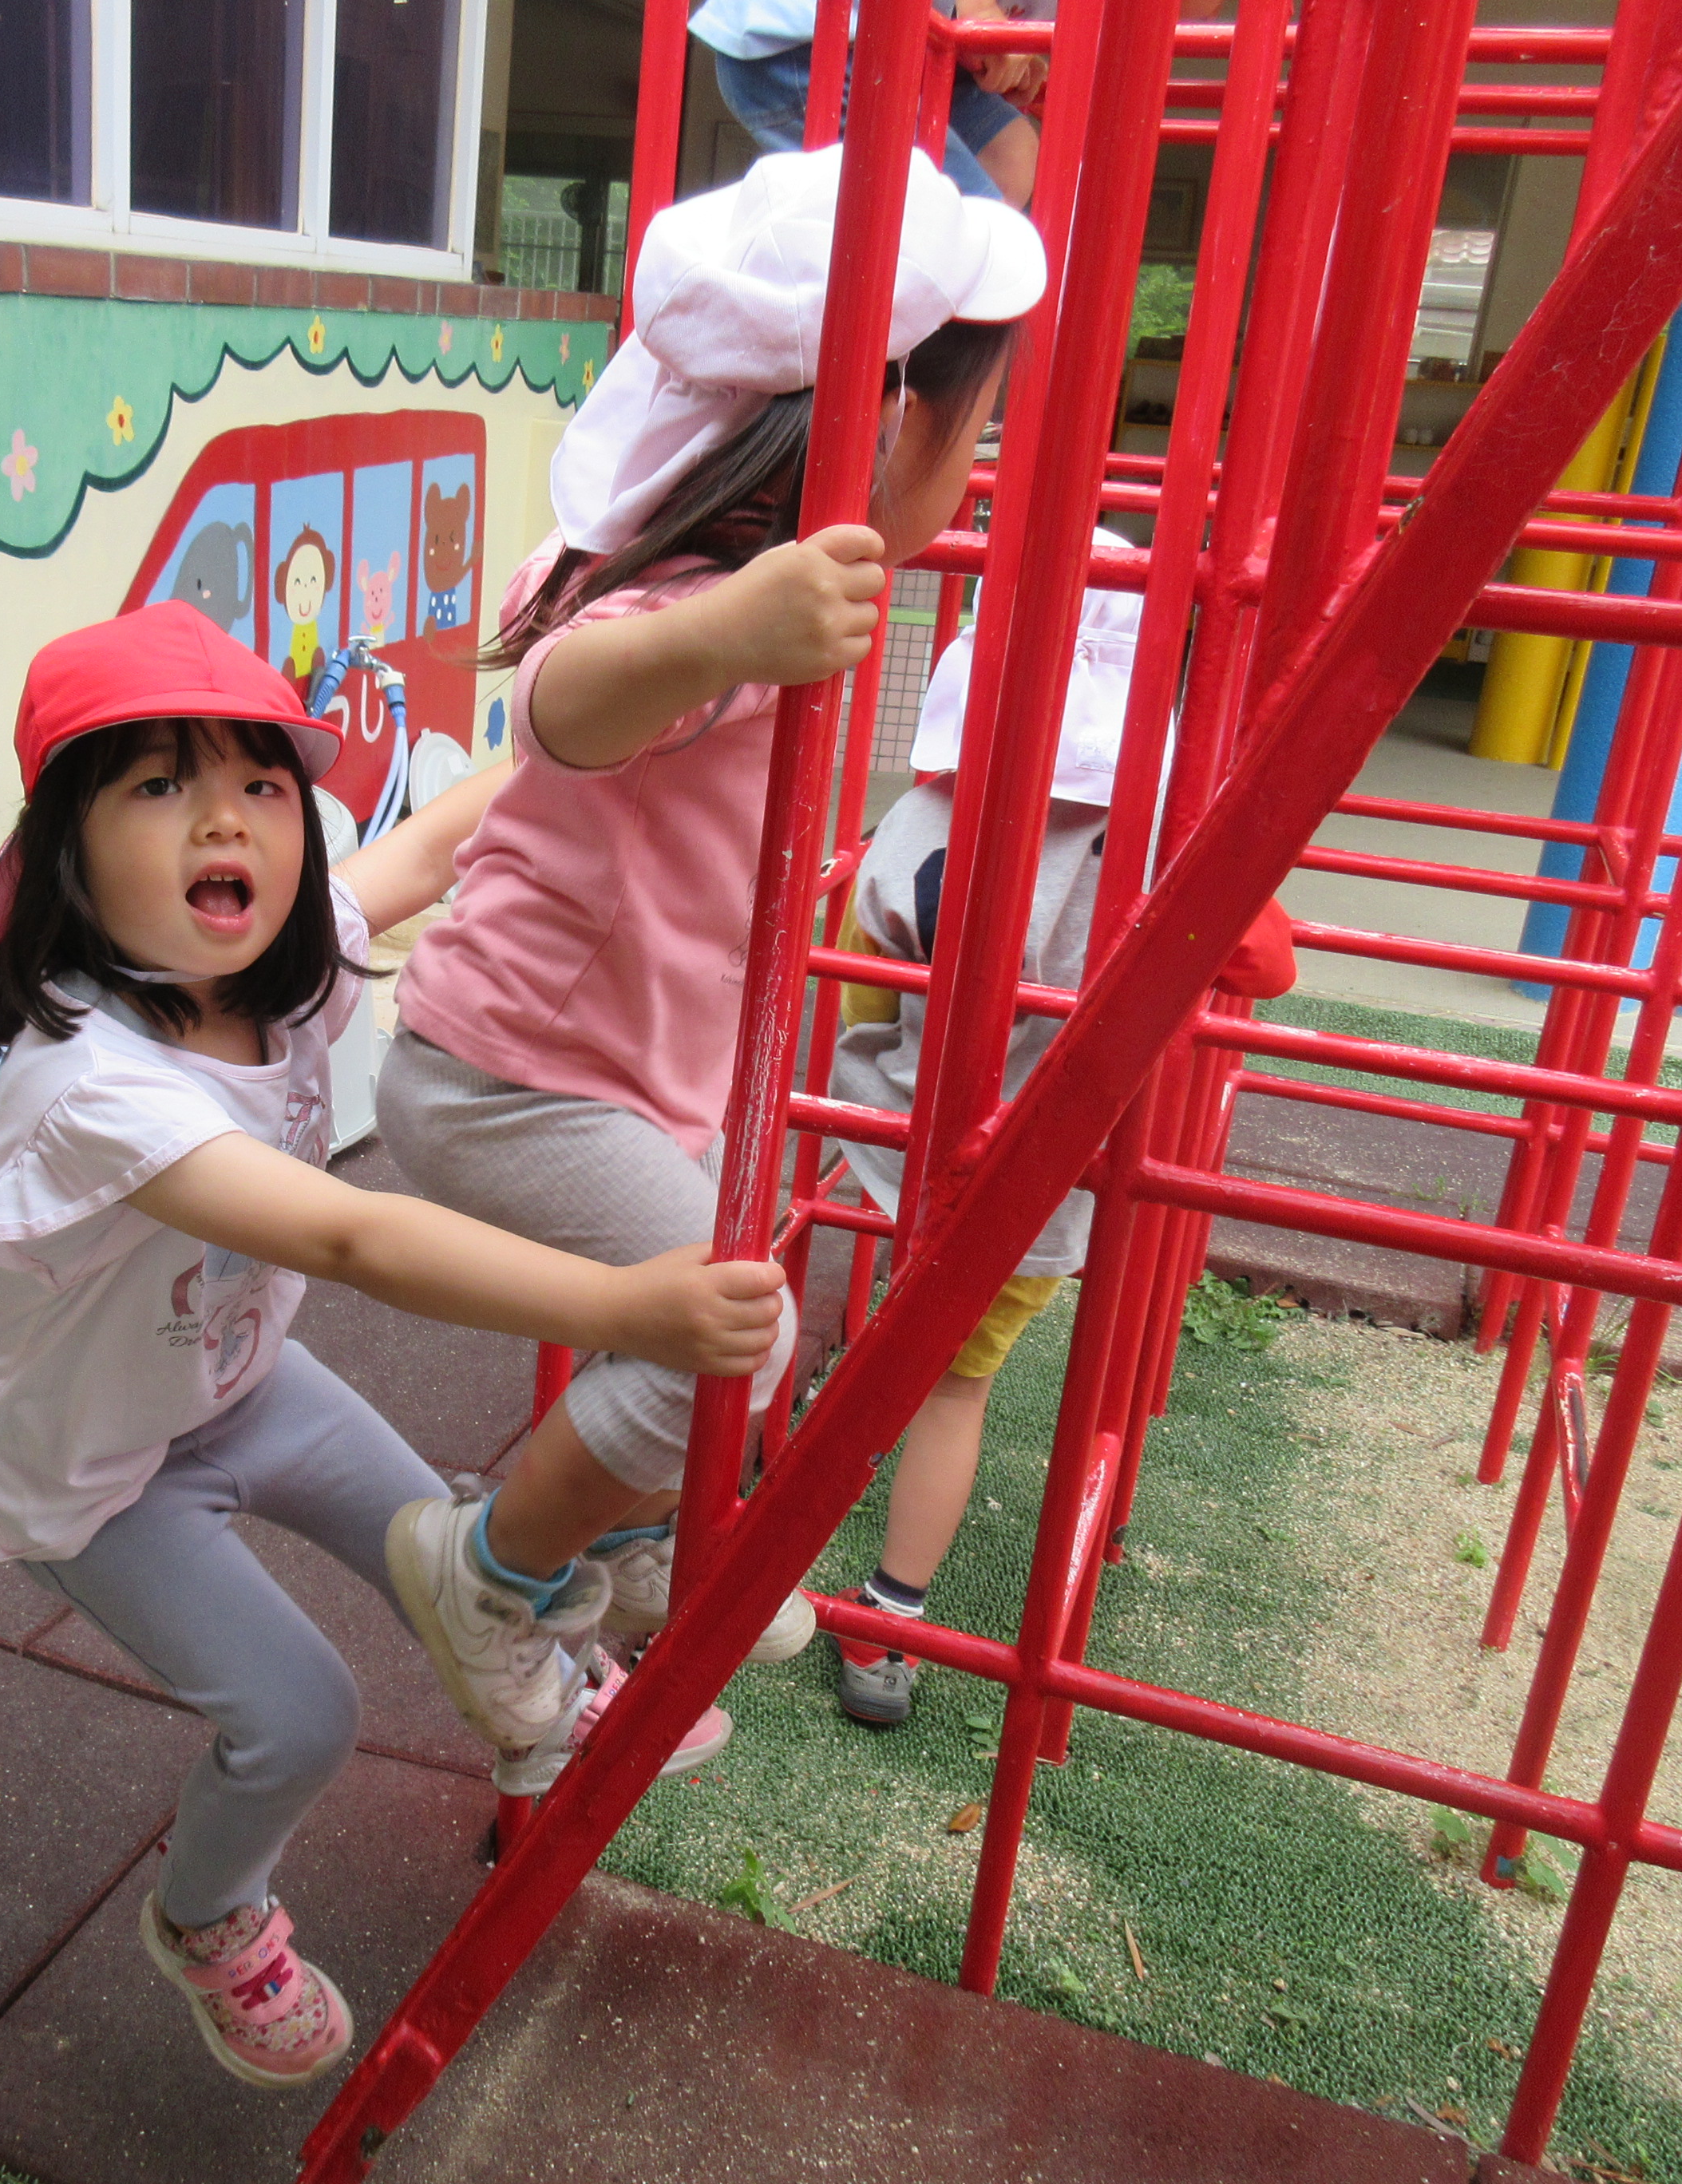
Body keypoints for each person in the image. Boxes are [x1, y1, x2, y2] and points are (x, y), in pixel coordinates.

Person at [0, 601, 784, 2089]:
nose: (227, 818)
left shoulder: (273, 977)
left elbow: (442, 837)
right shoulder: (89, 1084)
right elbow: (349, 1236)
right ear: (66, 853)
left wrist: (611, 725)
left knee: (454, 1550)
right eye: (160, 785)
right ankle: (207, 1916)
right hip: (95, 1468)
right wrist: (621, 1309)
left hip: (237, 1378)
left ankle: (546, 1651)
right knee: (297, 1714)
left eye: (261, 785)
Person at [370, 144, 1046, 1756]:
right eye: (974, 427)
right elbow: (560, 700)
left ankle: (628, 1547)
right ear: (883, 429)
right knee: (730, 1333)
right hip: (508, 1079)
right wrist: (722, 634)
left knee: (719, 1320)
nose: (979, 463)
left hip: (603, 1070)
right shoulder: (700, 608)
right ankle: (487, 1571)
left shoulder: (728, 592)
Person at [823, 560, 1297, 1723]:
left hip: (906, 1140)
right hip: (1046, 1180)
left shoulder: (918, 817)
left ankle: (830, 1477)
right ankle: (889, 1620)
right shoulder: (1160, 850)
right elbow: (1268, 964)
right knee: (956, 1386)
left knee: (907, 1321)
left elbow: (865, 977)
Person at [690, 0, 1053, 209]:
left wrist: (1013, 54)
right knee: (952, 218)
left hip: (916, 45)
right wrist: (982, 11)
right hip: (810, 37)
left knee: (1010, 156)